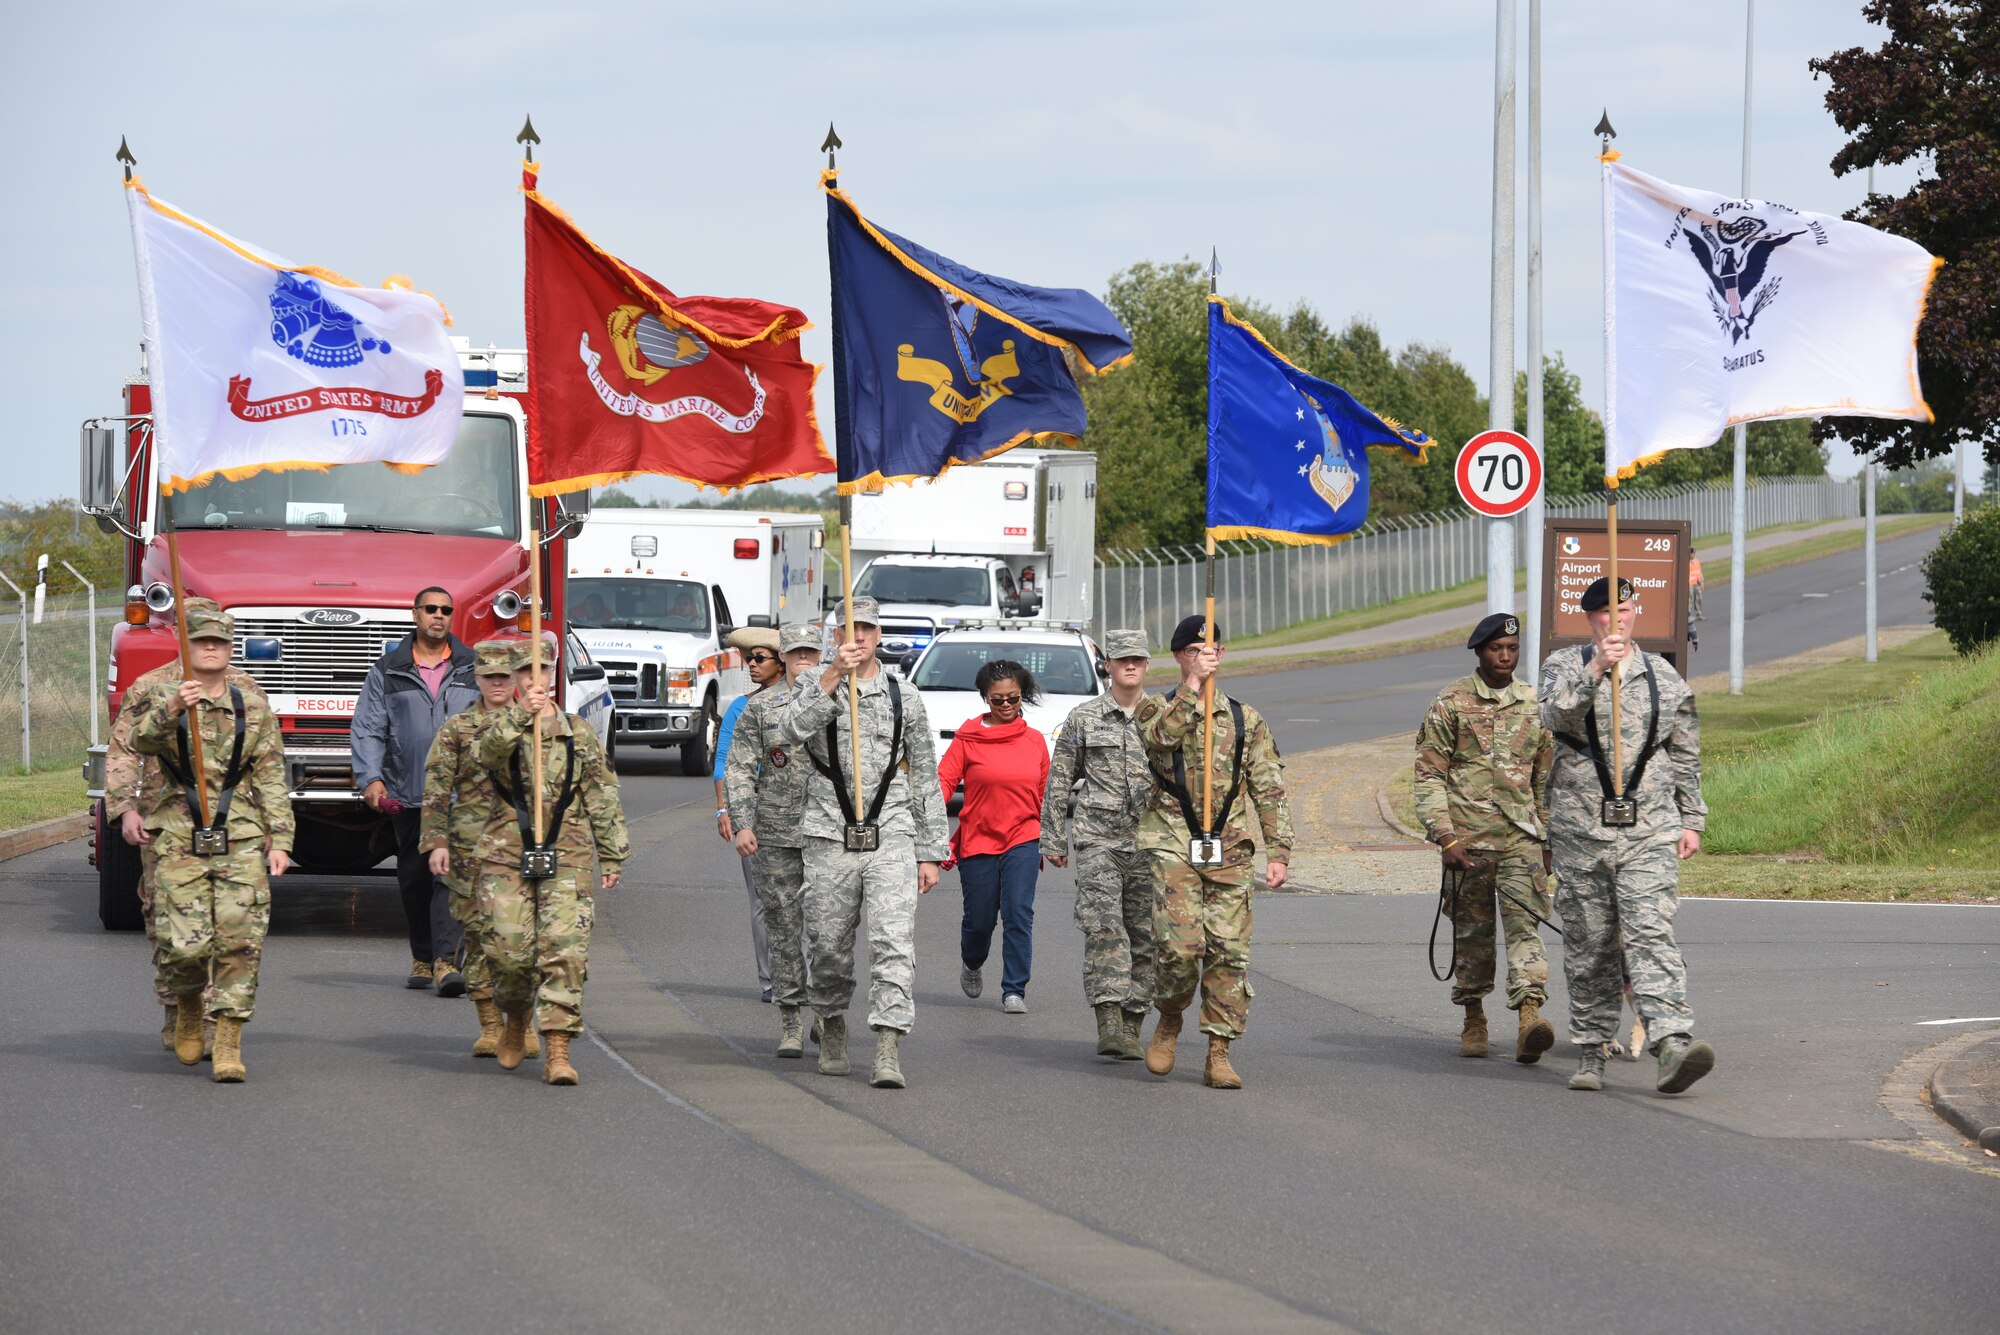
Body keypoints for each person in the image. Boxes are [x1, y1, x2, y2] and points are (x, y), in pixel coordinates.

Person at [1540, 576, 1716, 1095]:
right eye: (1604, 613)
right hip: (1580, 830)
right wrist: (1597, 667)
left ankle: (1671, 1045)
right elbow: (1553, 715)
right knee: (1590, 942)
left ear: (1636, 612)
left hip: (1649, 829)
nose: (1615, 620)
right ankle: (1592, 1049)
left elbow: (1684, 752)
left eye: (1624, 609)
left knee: (1649, 932)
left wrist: (1692, 819)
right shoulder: (1564, 667)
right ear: (1588, 617)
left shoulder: (1663, 676)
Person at [781, 596, 948, 1090]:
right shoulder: (813, 683)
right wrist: (832, 675)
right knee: (829, 945)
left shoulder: (904, 694)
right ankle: (831, 1024)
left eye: (867, 630)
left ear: (878, 636)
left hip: (890, 830)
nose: (858, 639)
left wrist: (930, 851)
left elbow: (923, 776)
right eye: (848, 631)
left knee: (893, 940)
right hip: (829, 831)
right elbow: (790, 732)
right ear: (835, 637)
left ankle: (888, 1046)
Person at [130, 602, 292, 1082]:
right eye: (201, 641)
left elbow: (270, 779)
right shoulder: (164, 694)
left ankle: (227, 1040)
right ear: (187, 646)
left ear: (228, 648)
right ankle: (185, 1003)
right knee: (182, 945)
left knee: (240, 940)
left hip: (239, 834)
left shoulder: (252, 705)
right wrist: (173, 709)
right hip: (177, 833)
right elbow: (139, 743)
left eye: (218, 643)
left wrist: (280, 838)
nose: (210, 649)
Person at [104, 598, 267, 1060]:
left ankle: (217, 1022)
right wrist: (125, 809)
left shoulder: (242, 686)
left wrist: (265, 822)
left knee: (229, 922)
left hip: (228, 824)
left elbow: (256, 757)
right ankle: (178, 1008)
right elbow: (123, 751)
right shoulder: (151, 687)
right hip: (165, 821)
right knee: (168, 920)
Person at [1135, 616, 1292, 1090]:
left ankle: (1218, 1051)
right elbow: (1160, 739)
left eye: (1213, 651)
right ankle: (1168, 1016)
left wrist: (1279, 850)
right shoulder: (1154, 708)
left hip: (1229, 847)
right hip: (1172, 841)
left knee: (1229, 952)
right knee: (1181, 948)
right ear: (1180, 656)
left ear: (1222, 655)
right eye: (1195, 651)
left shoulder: (1246, 719)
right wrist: (1192, 685)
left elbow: (1269, 787)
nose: (1206, 657)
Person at [475, 634, 629, 1085]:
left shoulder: (576, 732)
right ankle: (517, 1016)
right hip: (505, 854)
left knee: (565, 952)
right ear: (516, 679)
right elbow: (486, 755)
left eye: (543, 671)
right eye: (526, 673)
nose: (534, 680)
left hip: (568, 854)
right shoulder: (498, 725)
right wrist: (523, 714)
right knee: (507, 953)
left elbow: (601, 792)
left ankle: (558, 1051)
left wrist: (612, 852)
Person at [1414, 613, 1557, 1063]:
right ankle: (1473, 1018)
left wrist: (1547, 838)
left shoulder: (1534, 705)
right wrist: (1444, 836)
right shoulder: (1450, 704)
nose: (1505, 657)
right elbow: (1429, 777)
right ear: (1480, 651)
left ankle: (1529, 1017)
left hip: (1521, 841)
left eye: (1512, 649)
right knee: (1472, 937)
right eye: (1497, 649)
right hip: (1467, 844)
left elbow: (1544, 778)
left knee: (1525, 929)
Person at [352, 586, 479, 992]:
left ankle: (446, 962)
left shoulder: (472, 666)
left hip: (461, 796)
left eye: (446, 610)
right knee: (414, 879)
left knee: (449, 877)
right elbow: (370, 727)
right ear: (415, 615)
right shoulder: (388, 669)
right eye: (430, 609)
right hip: (408, 791)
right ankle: (422, 957)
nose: (438, 616)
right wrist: (371, 779)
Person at [418, 638, 539, 1060]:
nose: (498, 684)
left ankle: (521, 1020)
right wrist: (435, 840)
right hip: (469, 847)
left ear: (517, 678)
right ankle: (490, 1023)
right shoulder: (456, 729)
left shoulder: (536, 725)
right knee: (477, 937)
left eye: (505, 676)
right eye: (489, 677)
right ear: (477, 679)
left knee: (522, 942)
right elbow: (436, 789)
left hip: (521, 848)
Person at [1040, 629, 1157, 1061]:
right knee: (1104, 925)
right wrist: (1053, 836)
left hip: (1151, 842)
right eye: (1122, 659)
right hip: (1098, 839)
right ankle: (1108, 1017)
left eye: (1138, 660)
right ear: (1107, 665)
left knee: (1146, 935)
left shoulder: (1162, 717)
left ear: (1147, 665)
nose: (1130, 666)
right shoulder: (1083, 717)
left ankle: (1133, 1022)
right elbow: (1060, 779)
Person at [724, 623, 822, 1056]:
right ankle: (790, 1021)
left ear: (822, 657)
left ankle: (825, 1011)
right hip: (776, 834)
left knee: (828, 932)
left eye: (811, 653)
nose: (803, 660)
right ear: (783, 658)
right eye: (795, 652)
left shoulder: (843, 705)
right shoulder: (761, 708)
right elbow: (739, 768)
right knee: (783, 929)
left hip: (830, 836)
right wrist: (742, 822)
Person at [938, 659, 1050, 1015]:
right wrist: (926, 823)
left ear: (1023, 697)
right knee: (980, 920)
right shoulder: (968, 738)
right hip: (979, 838)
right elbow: (943, 781)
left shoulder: (1034, 742)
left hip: (1023, 837)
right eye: (997, 700)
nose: (1005, 706)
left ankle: (1014, 989)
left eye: (1013, 699)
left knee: (1019, 913)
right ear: (985, 698)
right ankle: (972, 961)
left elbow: (1048, 792)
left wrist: (1053, 838)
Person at [715, 627, 783, 1002]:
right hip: (751, 807)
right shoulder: (740, 706)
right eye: (749, 659)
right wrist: (725, 809)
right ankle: (770, 980)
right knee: (760, 899)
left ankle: (800, 975)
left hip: (797, 810)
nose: (752, 665)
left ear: (780, 664)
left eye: (760, 659)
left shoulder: (801, 703)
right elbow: (723, 760)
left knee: (802, 899)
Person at [1688, 553, 1706, 622]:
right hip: (1690, 583)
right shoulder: (1687, 562)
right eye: (1691, 553)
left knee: (1698, 598)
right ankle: (1688, 615)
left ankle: (1699, 614)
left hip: (1697, 582)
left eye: (1693, 553)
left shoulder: (1697, 561)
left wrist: (1701, 582)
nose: (1692, 555)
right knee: (1689, 598)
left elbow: (1699, 572)